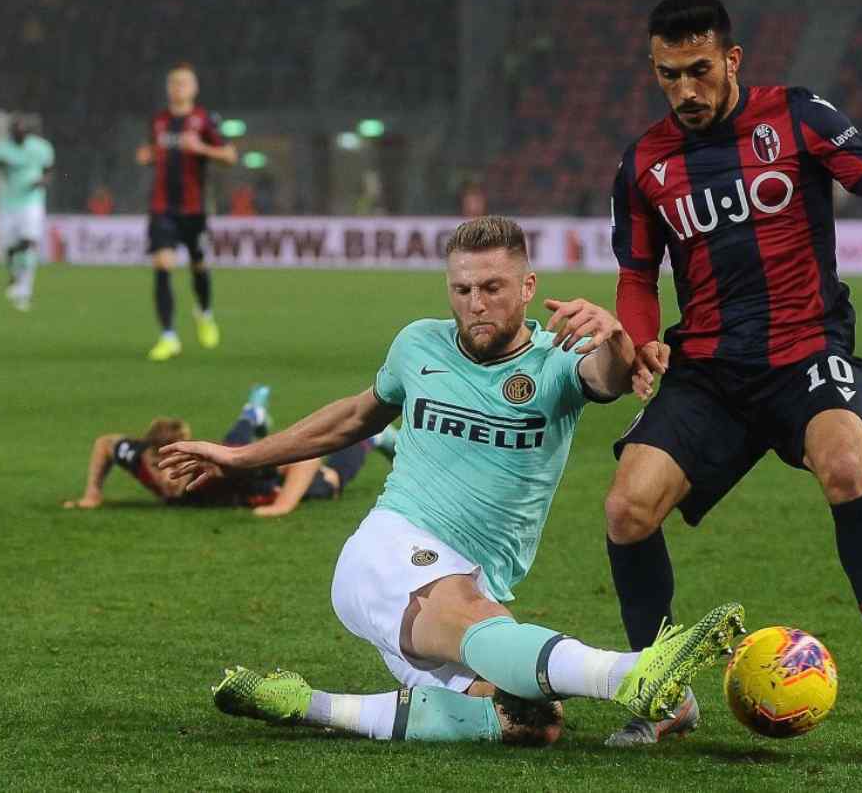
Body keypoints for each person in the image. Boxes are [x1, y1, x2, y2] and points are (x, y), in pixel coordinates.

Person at [158, 215, 744, 746]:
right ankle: (632, 673)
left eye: (492, 288)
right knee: (473, 617)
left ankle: (306, 704)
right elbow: (354, 416)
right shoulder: (418, 344)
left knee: (531, 722)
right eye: (462, 290)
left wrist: (615, 335)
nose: (475, 305)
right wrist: (240, 457)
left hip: (471, 581)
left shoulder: (555, 361)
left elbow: (609, 378)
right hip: (390, 551)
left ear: (527, 287)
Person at [602, 0, 862, 745]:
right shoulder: (644, 164)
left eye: (696, 70)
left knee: (845, 464)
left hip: (806, 348)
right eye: (667, 76)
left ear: (732, 59)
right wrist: (644, 339)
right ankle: (660, 685)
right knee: (626, 510)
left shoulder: (796, 115)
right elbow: (636, 274)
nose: (683, 91)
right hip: (711, 368)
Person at [63, 386, 397, 518]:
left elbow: (307, 458)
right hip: (231, 469)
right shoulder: (138, 457)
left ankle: (372, 438)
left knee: (330, 479)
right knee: (230, 448)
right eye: (158, 465)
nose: (167, 476)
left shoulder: (223, 469)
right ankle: (252, 414)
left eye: (175, 464)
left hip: (264, 489)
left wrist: (282, 505)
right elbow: (105, 444)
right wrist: (93, 493)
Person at [136, 62, 237, 361]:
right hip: (162, 208)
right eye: (173, 83)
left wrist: (202, 149)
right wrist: (146, 156)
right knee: (163, 265)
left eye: (183, 83)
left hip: (195, 209)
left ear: (194, 89)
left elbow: (230, 156)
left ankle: (204, 313)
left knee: (199, 267)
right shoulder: (158, 121)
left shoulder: (205, 120)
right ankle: (168, 336)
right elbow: (150, 152)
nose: (177, 87)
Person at [0, 116, 54, 311]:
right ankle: (14, 277)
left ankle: (25, 290)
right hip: (7, 203)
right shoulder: (0, 149)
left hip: (32, 202)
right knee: (10, 246)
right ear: (11, 132)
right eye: (16, 132)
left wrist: (42, 182)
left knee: (29, 241)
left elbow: (49, 171)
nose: (19, 135)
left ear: (27, 132)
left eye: (22, 132)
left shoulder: (41, 148)